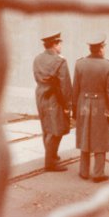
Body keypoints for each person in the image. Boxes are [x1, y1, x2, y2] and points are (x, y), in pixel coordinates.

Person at [72, 35, 109, 182]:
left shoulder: (79, 64)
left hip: (83, 104)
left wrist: (74, 109)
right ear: (101, 48)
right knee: (101, 137)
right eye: (104, 47)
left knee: (85, 135)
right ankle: (98, 173)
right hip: (101, 105)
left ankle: (83, 172)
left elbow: (75, 89)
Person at [33, 32, 72, 172]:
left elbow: (37, 77)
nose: (61, 46)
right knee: (56, 130)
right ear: (55, 44)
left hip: (41, 95)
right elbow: (65, 84)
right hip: (55, 98)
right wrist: (68, 104)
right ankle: (50, 163)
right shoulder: (59, 61)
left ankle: (52, 155)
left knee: (46, 127)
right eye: (60, 43)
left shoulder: (37, 58)